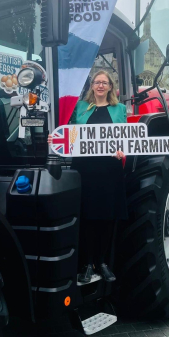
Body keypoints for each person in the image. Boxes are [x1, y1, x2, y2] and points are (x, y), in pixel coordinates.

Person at [48, 70, 127, 284]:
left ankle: (101, 263)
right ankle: (86, 264)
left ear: (111, 86)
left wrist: (122, 151)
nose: (100, 85)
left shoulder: (119, 109)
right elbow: (70, 134)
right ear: (92, 86)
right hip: (85, 169)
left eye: (105, 82)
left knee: (107, 218)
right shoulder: (80, 108)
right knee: (86, 216)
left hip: (109, 170)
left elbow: (126, 139)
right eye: (97, 82)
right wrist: (55, 139)